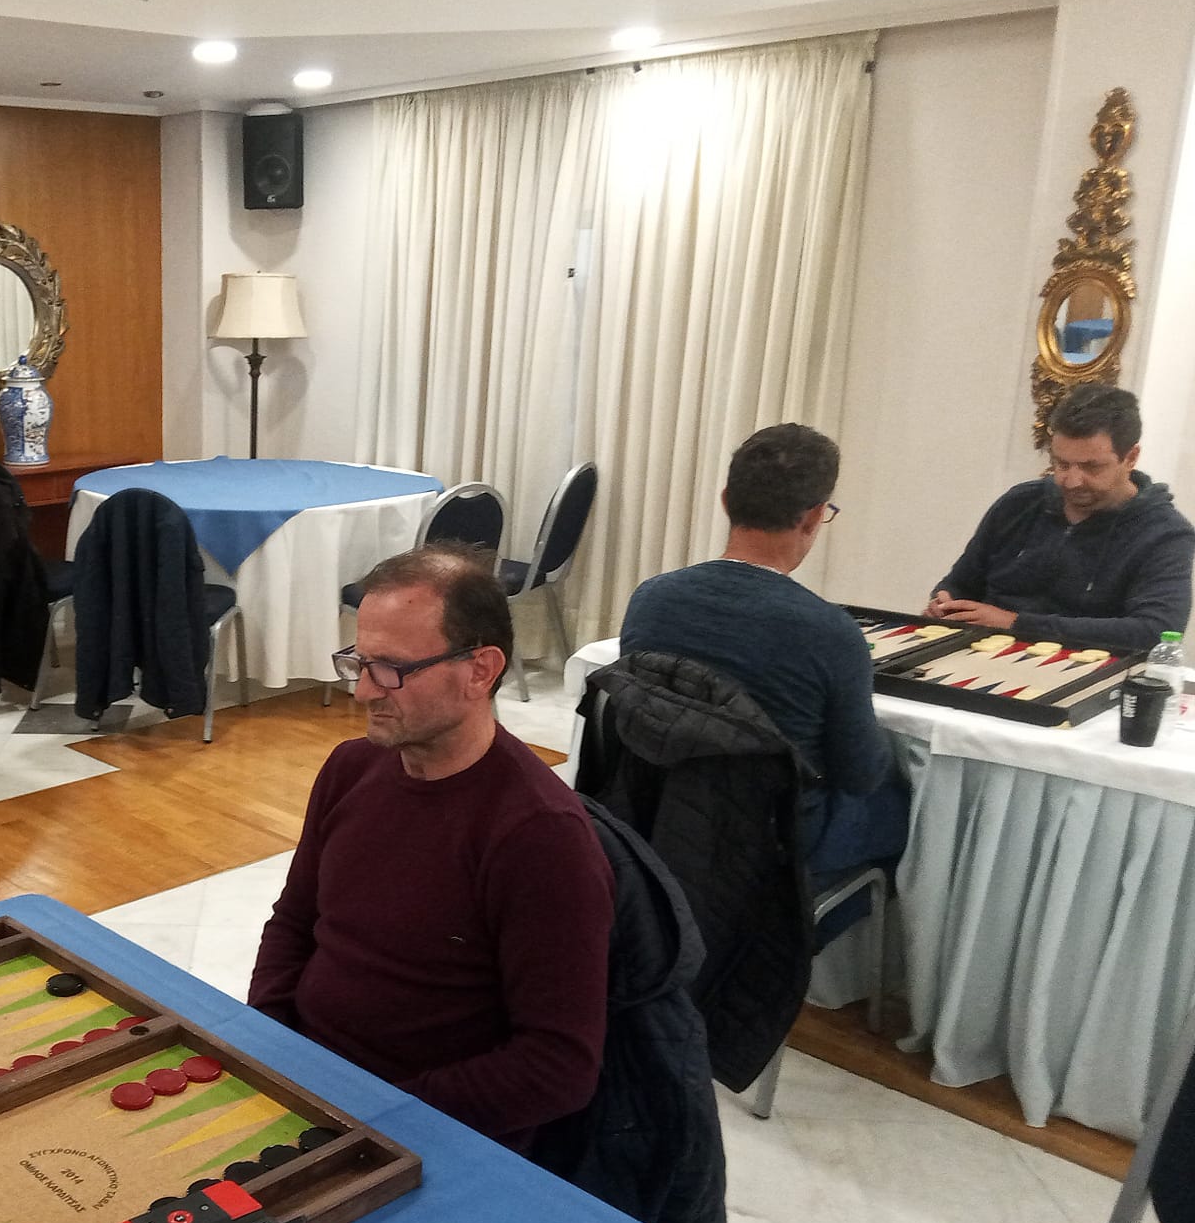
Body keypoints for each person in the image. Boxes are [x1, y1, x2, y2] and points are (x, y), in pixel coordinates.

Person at [249, 545, 613, 1155]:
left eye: (392, 669)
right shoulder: (350, 768)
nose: (364, 692)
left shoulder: (541, 836)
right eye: (359, 663)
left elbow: (557, 1066)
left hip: (418, 1133)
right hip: (306, 1091)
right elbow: (293, 923)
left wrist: (372, 1118)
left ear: (480, 670)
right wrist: (269, 1044)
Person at [621, 422, 907, 889]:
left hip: (659, 818)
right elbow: (860, 774)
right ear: (814, 517)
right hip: (777, 843)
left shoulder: (650, 599)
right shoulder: (831, 633)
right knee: (901, 803)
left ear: (725, 501)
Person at [926, 383, 1194, 649]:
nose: (1072, 481)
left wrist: (1016, 624)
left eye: (1091, 467)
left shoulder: (1164, 534)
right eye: (1061, 464)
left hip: (1087, 666)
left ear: (1131, 457)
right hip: (979, 652)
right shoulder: (1019, 503)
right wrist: (945, 602)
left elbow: (1157, 631)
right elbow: (960, 583)